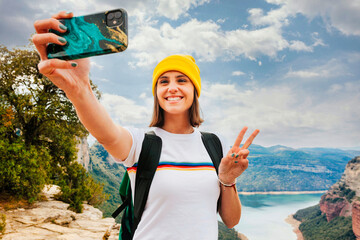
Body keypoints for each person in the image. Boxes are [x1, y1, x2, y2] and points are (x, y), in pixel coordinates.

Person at [32, 11, 260, 240]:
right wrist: (79, 89)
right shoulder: (142, 142)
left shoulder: (214, 144)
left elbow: (231, 220)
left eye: (182, 80)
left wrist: (228, 181)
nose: (172, 87)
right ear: (156, 92)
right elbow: (106, 135)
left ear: (195, 90)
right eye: (163, 81)